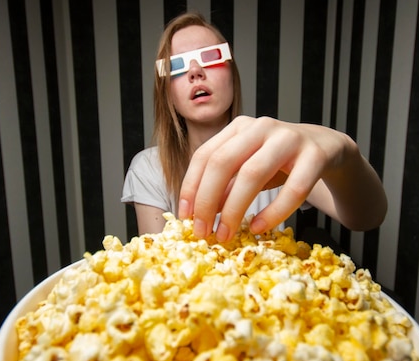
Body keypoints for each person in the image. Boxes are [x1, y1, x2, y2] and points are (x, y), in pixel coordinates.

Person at [122, 12, 387, 242]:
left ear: (232, 75)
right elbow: (156, 268)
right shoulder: (148, 168)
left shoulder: (280, 151)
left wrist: (345, 153)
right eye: (176, 66)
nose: (195, 71)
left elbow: (367, 217)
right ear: (166, 92)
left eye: (211, 56)